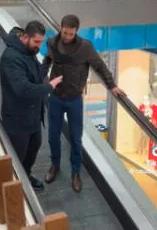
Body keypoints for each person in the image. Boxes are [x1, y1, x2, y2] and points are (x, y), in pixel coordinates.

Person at [42, 15, 125, 192]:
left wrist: (112, 85)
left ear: (76, 32)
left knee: (75, 139)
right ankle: (54, 165)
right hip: (55, 97)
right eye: (65, 33)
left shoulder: (85, 47)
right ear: (61, 28)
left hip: (74, 100)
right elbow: (47, 59)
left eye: (71, 34)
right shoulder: (51, 43)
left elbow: (100, 66)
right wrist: (42, 76)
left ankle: (75, 172)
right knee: (52, 136)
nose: (67, 37)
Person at [0, 21, 63, 191]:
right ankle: (14, 189)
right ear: (25, 37)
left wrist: (48, 60)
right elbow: (23, 89)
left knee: (34, 148)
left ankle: (26, 176)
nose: (38, 46)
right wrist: (50, 86)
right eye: (36, 42)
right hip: (17, 120)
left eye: (41, 43)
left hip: (33, 116)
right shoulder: (11, 58)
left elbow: (36, 77)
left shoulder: (28, 52)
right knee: (17, 158)